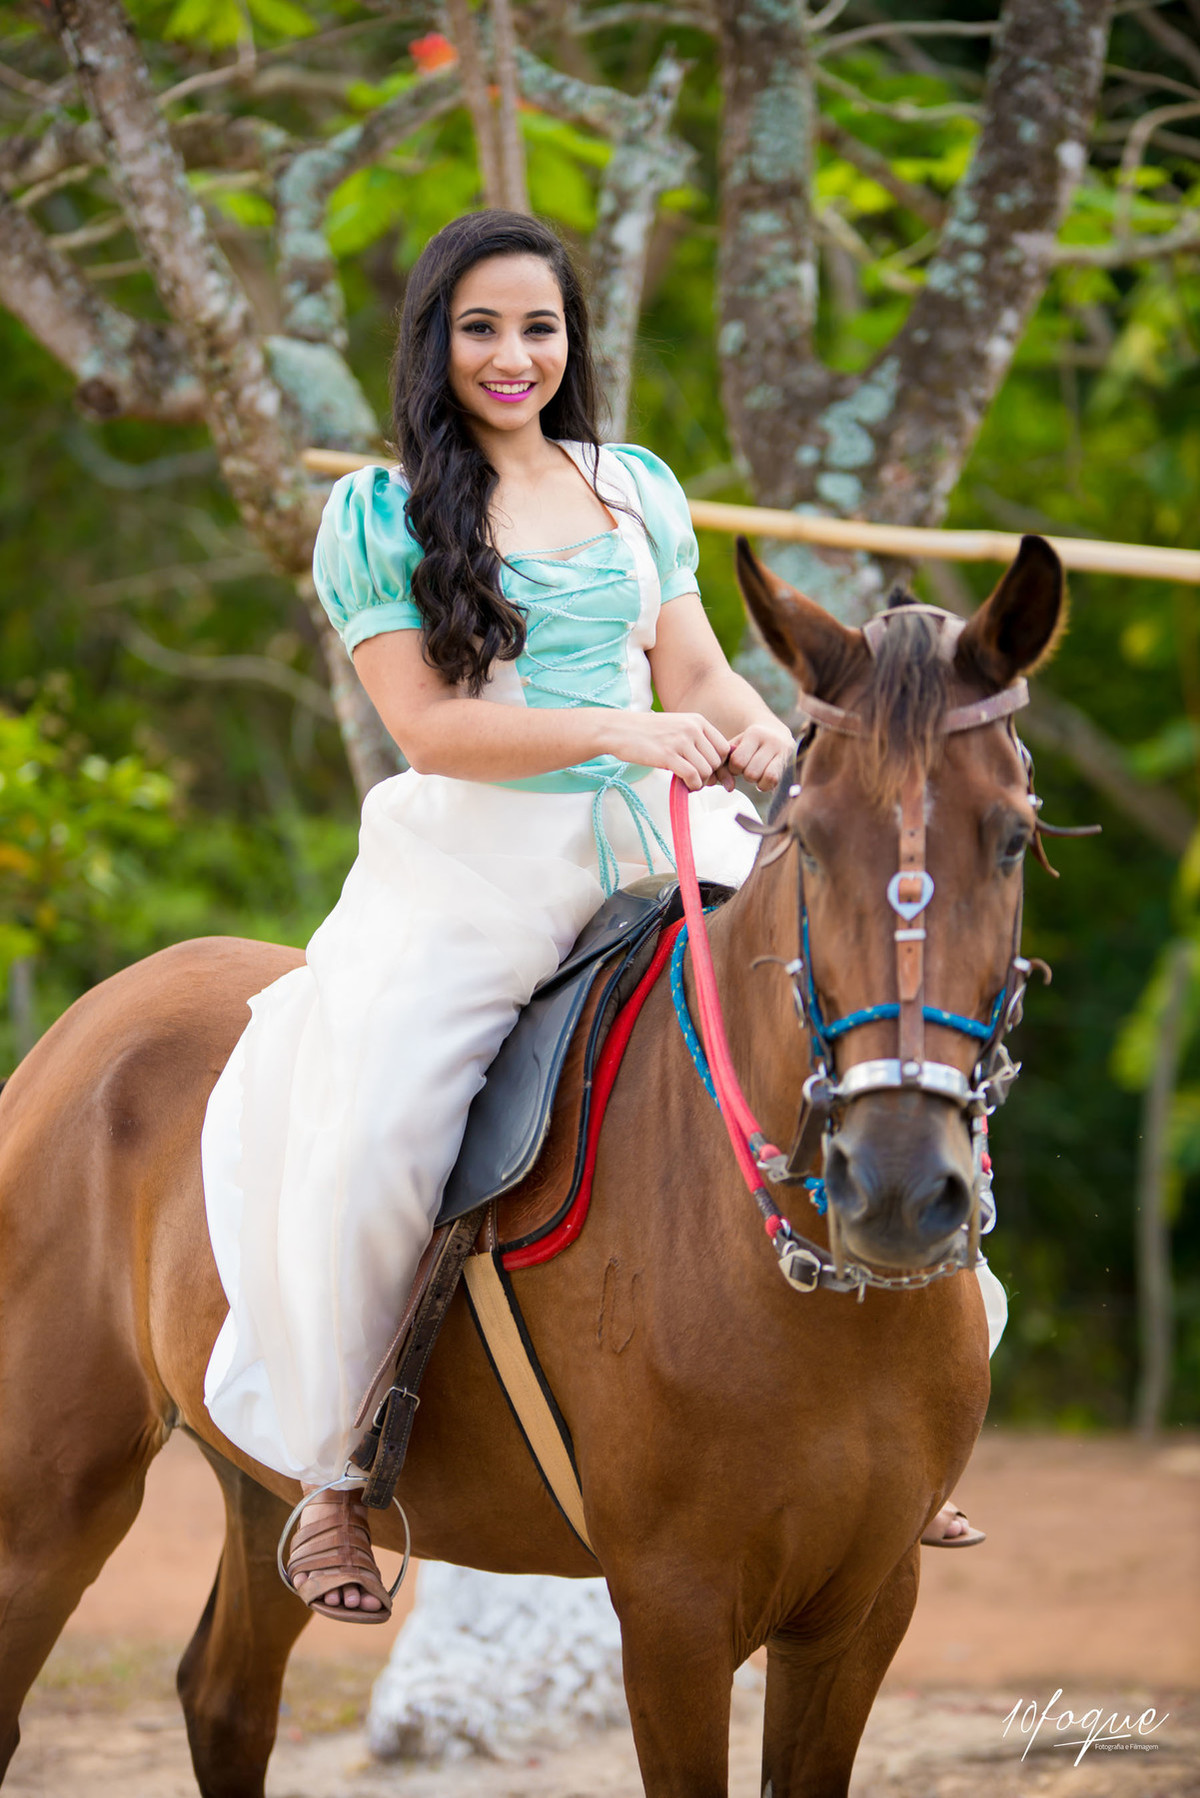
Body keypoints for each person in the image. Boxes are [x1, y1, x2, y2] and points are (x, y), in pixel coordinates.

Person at [200, 209, 990, 1623]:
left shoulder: (634, 486)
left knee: (887, 1006)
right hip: (483, 855)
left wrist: (767, 740)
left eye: (540, 326)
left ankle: (915, 1399)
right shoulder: (379, 514)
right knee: (382, 1124)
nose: (514, 355)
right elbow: (429, 728)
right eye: (482, 328)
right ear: (435, 341)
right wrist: (624, 732)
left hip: (669, 825)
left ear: (574, 338)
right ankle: (334, 1468)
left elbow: (699, 671)